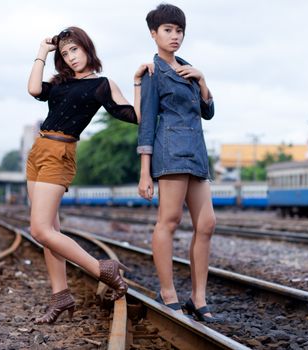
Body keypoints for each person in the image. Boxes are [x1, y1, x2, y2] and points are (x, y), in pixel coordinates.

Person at [27, 26, 149, 324]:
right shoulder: (60, 83)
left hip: (60, 154)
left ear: (87, 49)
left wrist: (136, 83)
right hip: (38, 152)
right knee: (50, 232)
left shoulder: (101, 85)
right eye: (65, 52)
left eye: (75, 50)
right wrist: (43, 52)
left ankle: (102, 269)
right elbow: (33, 89)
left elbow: (135, 116)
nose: (70, 57)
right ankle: (60, 296)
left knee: (40, 229)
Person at [137, 4, 219, 323]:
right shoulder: (152, 72)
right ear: (154, 34)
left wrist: (202, 80)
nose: (175, 36)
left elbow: (208, 111)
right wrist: (145, 172)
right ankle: (168, 292)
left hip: (196, 151)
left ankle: (198, 298)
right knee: (169, 220)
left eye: (179, 30)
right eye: (168, 30)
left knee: (207, 223)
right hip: (169, 149)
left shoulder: (188, 69)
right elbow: (146, 124)